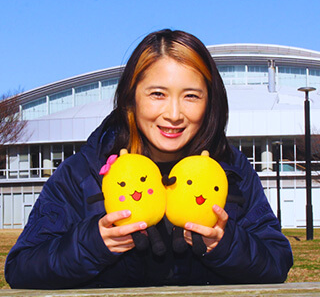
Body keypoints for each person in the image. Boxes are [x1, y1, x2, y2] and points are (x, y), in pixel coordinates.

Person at [5, 29, 293, 289]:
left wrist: (227, 244)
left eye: (191, 96)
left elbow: (277, 261)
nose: (174, 114)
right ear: (131, 97)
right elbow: (22, 267)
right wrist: (93, 244)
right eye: (157, 94)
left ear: (211, 101)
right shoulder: (85, 171)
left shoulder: (231, 170)